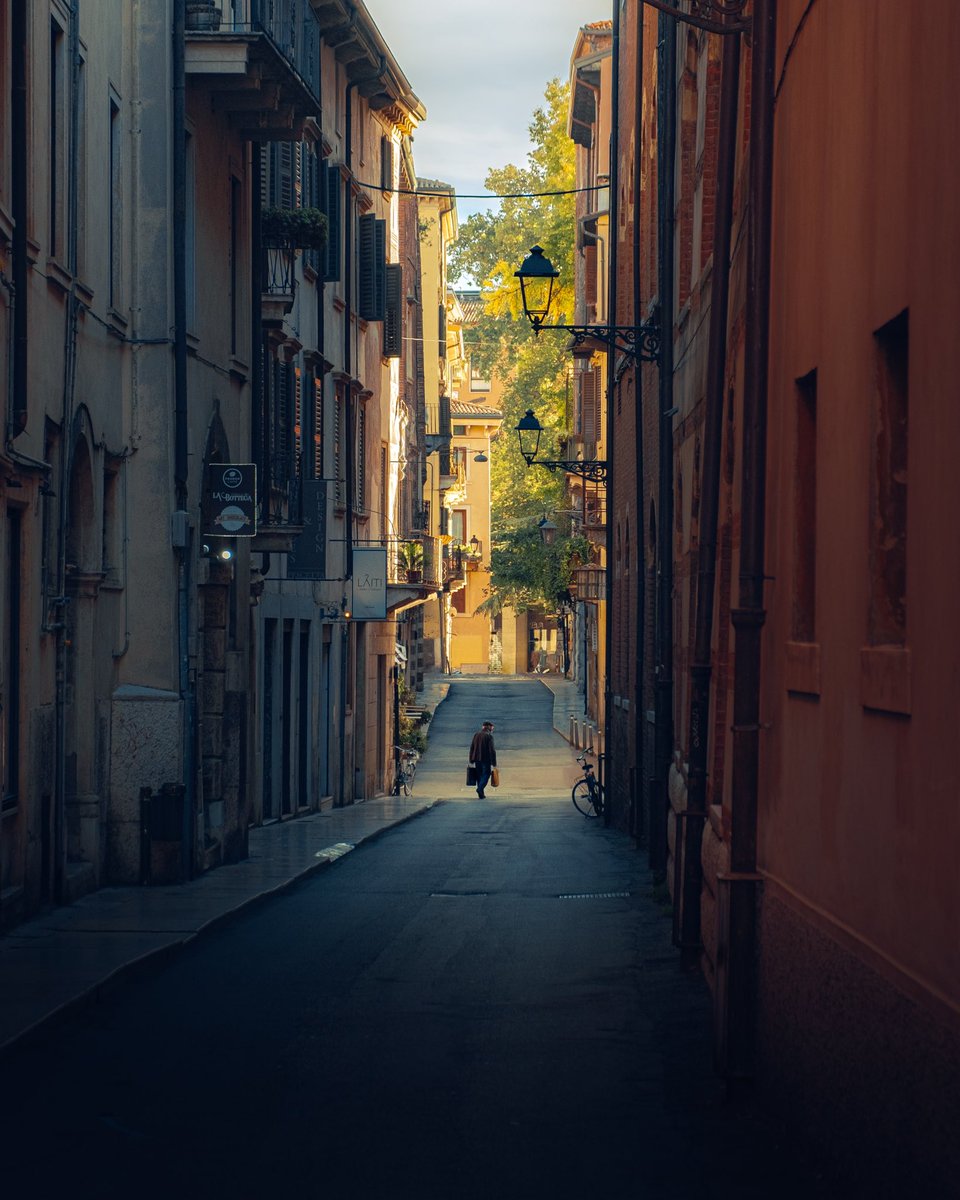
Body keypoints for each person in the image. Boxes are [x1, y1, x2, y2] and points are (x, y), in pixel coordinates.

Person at [469, 720, 497, 799]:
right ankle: (480, 789)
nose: (492, 729)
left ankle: (481, 794)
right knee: (486, 774)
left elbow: (472, 747)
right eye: (492, 727)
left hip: (476, 759)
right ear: (488, 727)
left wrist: (471, 759)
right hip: (486, 759)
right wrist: (494, 763)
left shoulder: (476, 734)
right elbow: (492, 750)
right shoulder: (489, 736)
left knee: (479, 776)